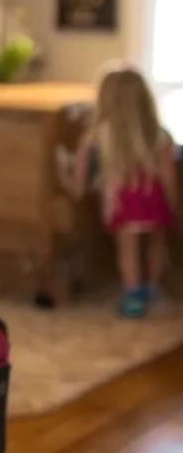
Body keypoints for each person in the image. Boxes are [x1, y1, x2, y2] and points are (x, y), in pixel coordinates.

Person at [73, 63, 177, 317]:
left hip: (122, 203)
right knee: (156, 244)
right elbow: (169, 177)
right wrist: (175, 205)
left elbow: (81, 170)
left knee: (127, 250)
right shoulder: (160, 134)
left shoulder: (98, 133)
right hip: (154, 200)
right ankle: (151, 289)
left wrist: (75, 188)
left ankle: (132, 295)